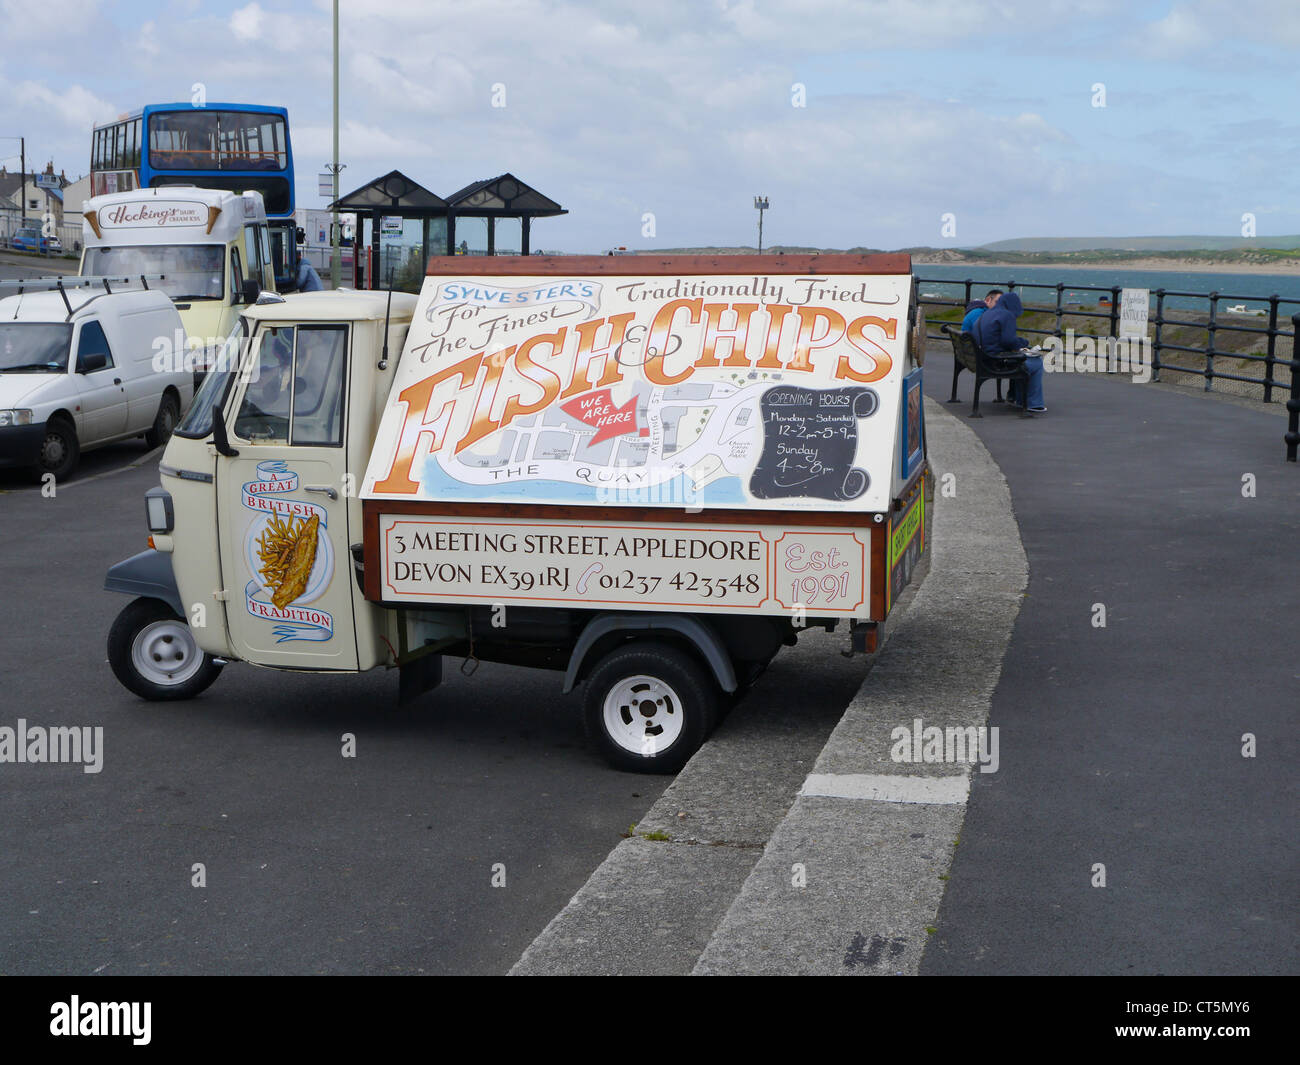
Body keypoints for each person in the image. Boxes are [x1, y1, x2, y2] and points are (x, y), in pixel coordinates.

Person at [973, 291, 1046, 412]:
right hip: (994, 361)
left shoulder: (987, 313)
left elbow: (1000, 339)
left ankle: (1019, 399)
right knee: (1036, 363)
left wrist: (1018, 344)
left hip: (982, 357)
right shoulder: (1007, 315)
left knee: (1022, 360)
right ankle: (1033, 404)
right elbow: (1008, 341)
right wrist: (1024, 343)